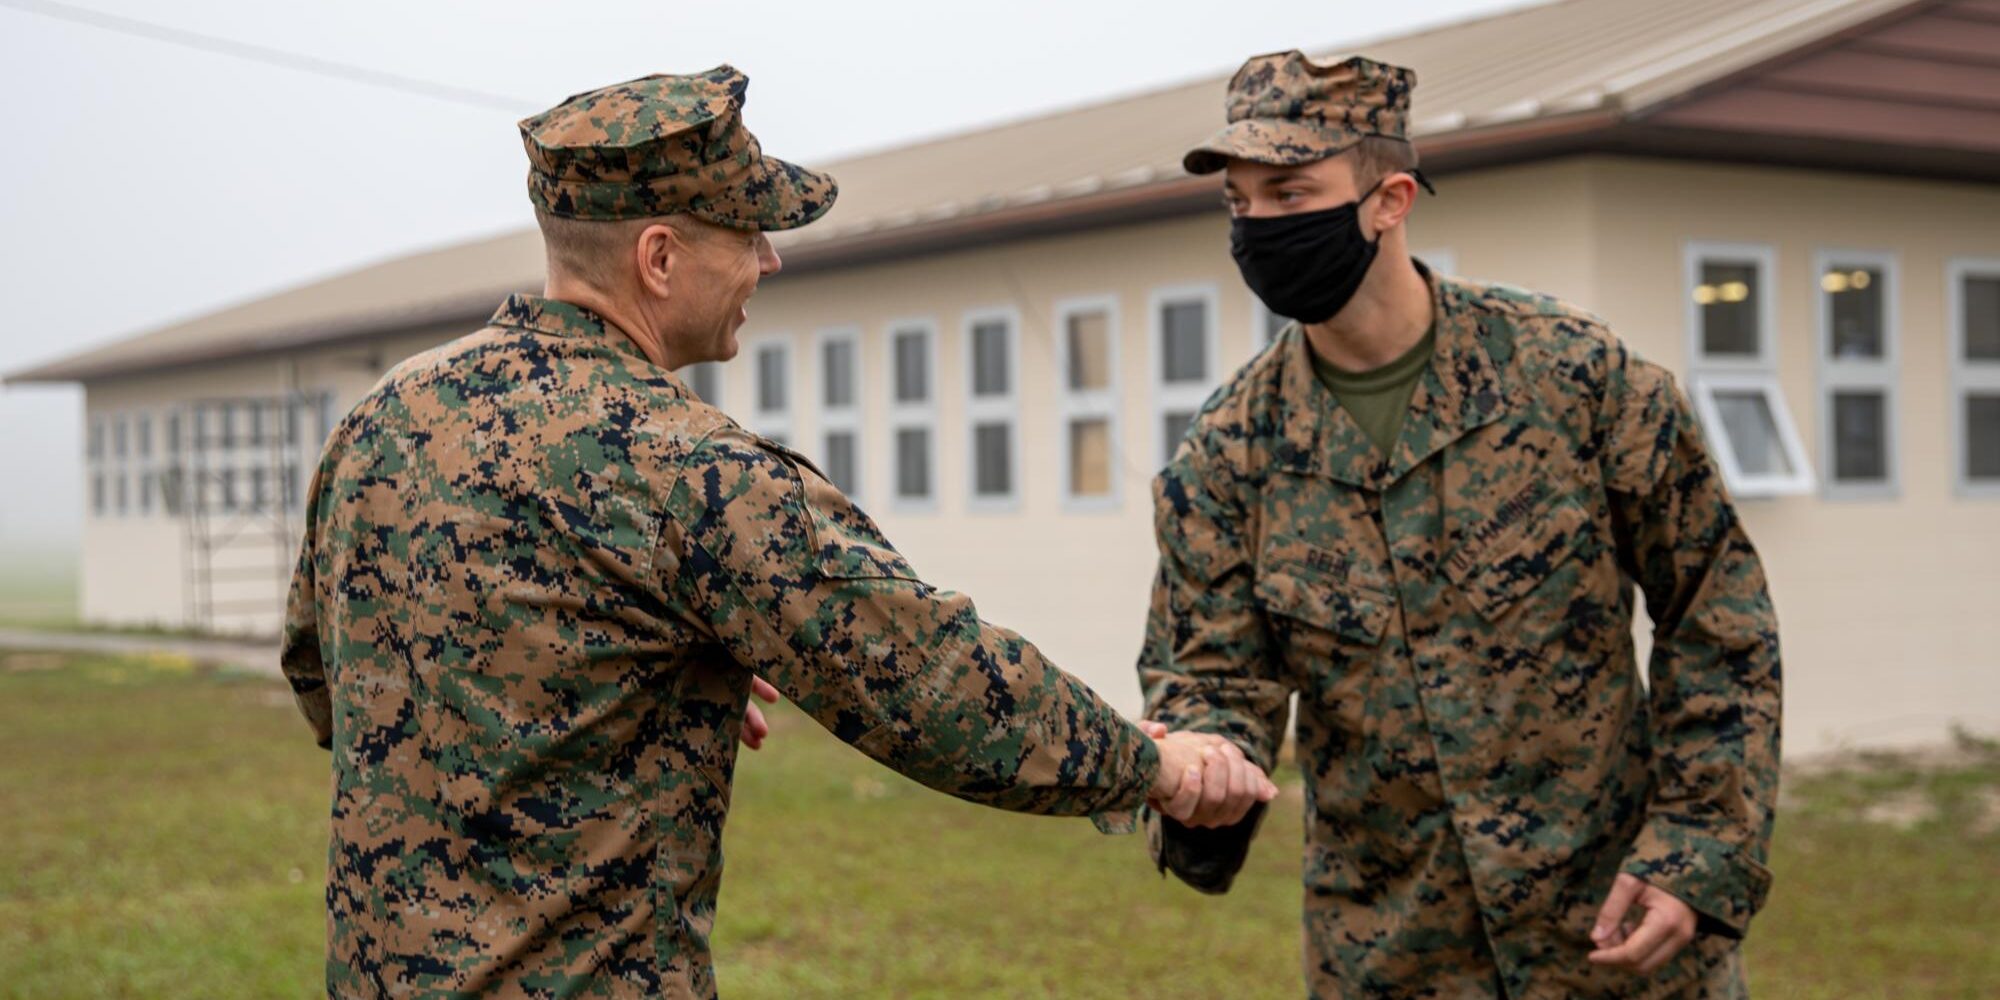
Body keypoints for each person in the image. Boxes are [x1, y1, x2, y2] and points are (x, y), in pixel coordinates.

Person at [279, 65, 1275, 999]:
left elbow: (321, 672)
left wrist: (637, 675)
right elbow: (924, 676)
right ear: (659, 257)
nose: (770, 256)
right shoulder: (685, 470)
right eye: (747, 230)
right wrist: (1155, 767)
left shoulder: (385, 417)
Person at [1131, 50, 1782, 998]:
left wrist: (1700, 849)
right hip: (1391, 956)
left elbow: (1717, 613)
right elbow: (1212, 679)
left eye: (1290, 192)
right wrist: (1202, 763)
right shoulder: (1229, 454)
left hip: (1618, 942)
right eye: (1240, 203)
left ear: (1389, 199)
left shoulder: (1574, 376)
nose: (1261, 227)